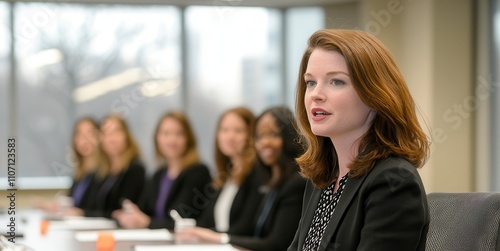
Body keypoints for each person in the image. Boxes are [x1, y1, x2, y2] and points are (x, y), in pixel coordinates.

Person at [287, 29, 430, 251]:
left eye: (336, 81)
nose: (316, 94)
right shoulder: (323, 178)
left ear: (375, 95)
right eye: (311, 82)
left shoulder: (393, 181)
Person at [178, 106, 306, 251]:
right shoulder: (271, 181)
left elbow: (275, 243)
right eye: (259, 136)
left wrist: (219, 238)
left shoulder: (292, 182)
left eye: (273, 135)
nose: (264, 142)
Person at [112, 111, 212, 230]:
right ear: (157, 139)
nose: (172, 140)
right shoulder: (158, 175)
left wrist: (146, 222)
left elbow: (181, 221)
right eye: (166, 133)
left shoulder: (198, 172)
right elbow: (144, 210)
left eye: (179, 134)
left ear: (188, 139)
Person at [195, 107, 264, 236]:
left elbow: (246, 228)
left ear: (252, 134)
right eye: (224, 130)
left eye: (238, 130)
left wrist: (211, 236)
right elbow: (206, 222)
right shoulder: (223, 177)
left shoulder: (257, 174)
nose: (230, 137)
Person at [83, 114, 146, 218]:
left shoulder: (135, 169)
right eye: (106, 133)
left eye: (116, 132)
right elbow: (93, 206)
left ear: (126, 135)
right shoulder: (102, 172)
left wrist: (86, 213)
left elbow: (122, 212)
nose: (112, 139)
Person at [36, 117, 101, 214]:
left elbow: (104, 210)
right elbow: (73, 205)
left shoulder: (104, 172)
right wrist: (55, 207)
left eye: (90, 133)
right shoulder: (80, 173)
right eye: (80, 134)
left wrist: (81, 213)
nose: (84, 139)